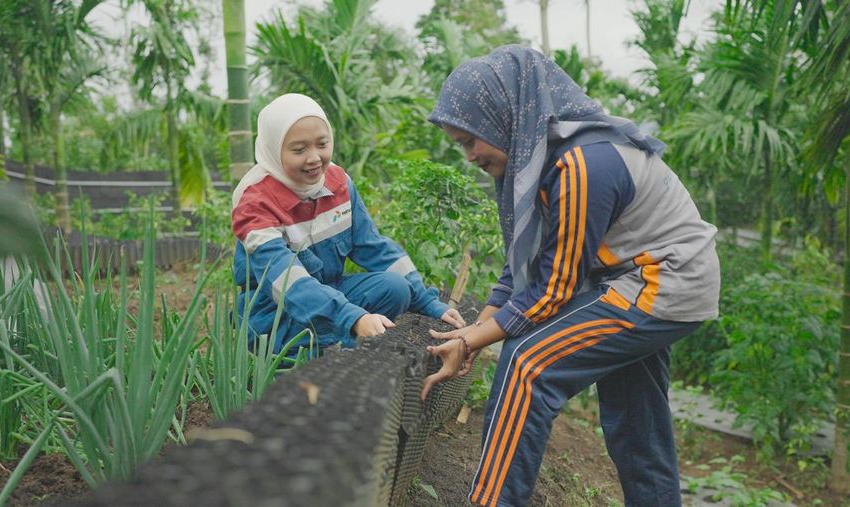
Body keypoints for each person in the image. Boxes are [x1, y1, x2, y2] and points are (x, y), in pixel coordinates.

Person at [420, 46, 720, 507]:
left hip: (662, 281)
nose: (469, 155)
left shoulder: (581, 164)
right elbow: (524, 260)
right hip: (642, 280)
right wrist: (477, 332)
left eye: (471, 140)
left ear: (503, 117)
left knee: (528, 365)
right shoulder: (538, 159)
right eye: (461, 144)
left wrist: (470, 341)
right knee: (635, 418)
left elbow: (553, 288)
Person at [231, 93, 464, 359]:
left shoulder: (337, 183)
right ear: (273, 150)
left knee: (396, 288)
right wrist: (352, 318)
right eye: (299, 150)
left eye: (322, 144)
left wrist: (429, 303)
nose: (314, 158)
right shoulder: (255, 203)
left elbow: (374, 247)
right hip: (278, 315)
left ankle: (341, 347)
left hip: (330, 295)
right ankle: (320, 356)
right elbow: (290, 284)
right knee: (327, 340)